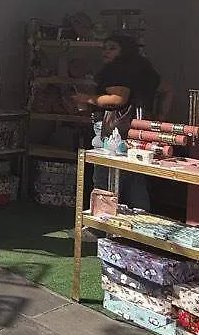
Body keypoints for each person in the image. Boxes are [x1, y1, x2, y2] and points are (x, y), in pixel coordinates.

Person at [73, 34, 171, 210]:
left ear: (124, 50)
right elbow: (168, 90)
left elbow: (118, 99)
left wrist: (87, 98)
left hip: (115, 129)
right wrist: (160, 116)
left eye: (112, 48)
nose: (106, 52)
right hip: (141, 128)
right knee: (135, 176)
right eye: (105, 47)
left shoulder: (116, 69)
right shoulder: (143, 68)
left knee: (106, 176)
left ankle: (101, 223)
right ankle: (141, 221)